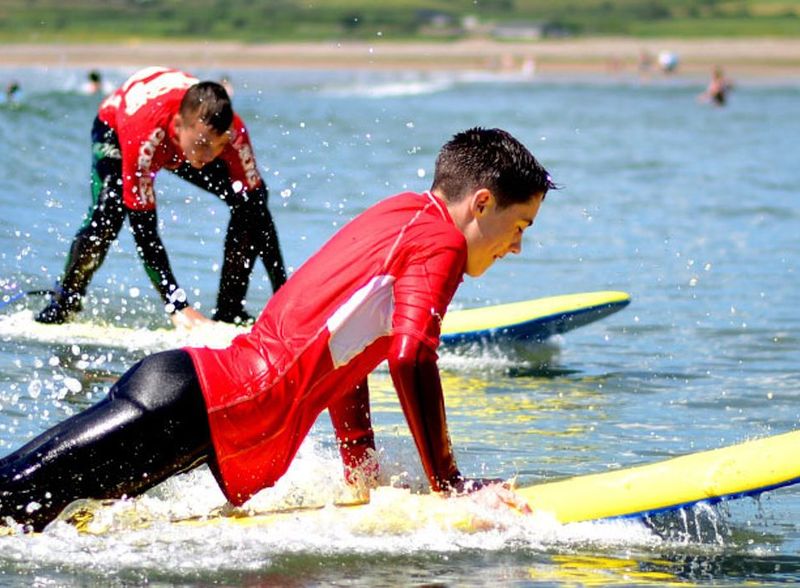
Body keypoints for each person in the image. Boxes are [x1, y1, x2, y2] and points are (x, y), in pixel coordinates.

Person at [0, 127, 554, 532]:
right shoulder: (443, 242)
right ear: (482, 202)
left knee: (31, 514)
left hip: (193, 402)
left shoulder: (402, 215)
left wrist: (360, 468)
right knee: (12, 502)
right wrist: (450, 486)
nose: (517, 246)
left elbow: (351, 350)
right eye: (519, 225)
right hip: (202, 406)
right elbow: (410, 357)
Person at [36, 66, 286, 328]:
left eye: (219, 147)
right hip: (118, 130)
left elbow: (260, 214)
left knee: (250, 202)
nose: (211, 156)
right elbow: (144, 230)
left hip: (179, 138)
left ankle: (229, 312)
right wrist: (177, 305)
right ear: (179, 126)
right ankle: (62, 305)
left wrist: (284, 295)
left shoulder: (230, 136)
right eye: (204, 146)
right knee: (109, 214)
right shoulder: (143, 136)